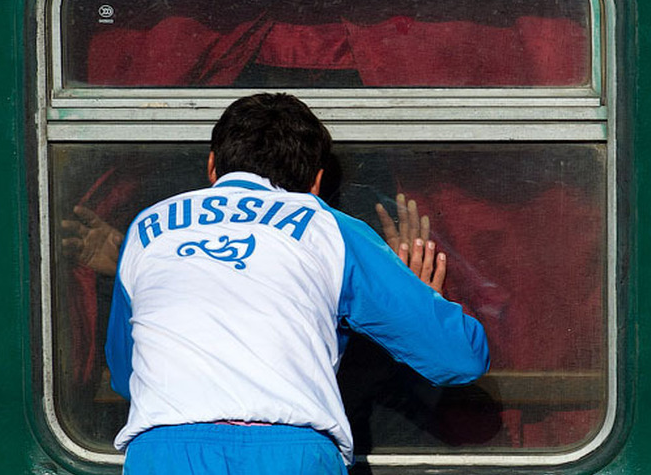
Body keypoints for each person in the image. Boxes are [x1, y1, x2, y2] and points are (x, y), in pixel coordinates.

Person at [104, 93, 489, 474]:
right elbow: (461, 357)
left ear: (212, 167)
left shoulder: (146, 227)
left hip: (164, 453)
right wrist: (422, 294)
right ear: (316, 182)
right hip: (289, 454)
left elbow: (127, 374)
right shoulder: (329, 228)